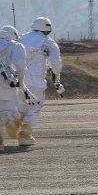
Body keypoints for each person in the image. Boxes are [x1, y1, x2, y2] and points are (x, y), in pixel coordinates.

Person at [19, 17, 63, 145]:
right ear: (48, 30)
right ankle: (24, 135)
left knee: (19, 106)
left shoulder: (21, 39)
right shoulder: (49, 43)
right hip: (36, 82)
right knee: (35, 108)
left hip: (19, 80)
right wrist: (57, 80)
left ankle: (6, 126)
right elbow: (56, 64)